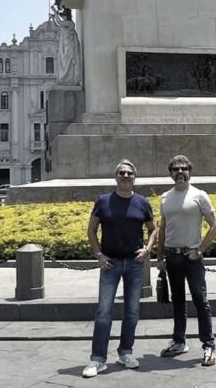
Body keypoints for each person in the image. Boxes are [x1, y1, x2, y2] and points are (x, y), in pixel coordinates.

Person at [82, 159, 158, 379]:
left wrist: (148, 249)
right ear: (116, 176)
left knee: (132, 311)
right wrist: (98, 254)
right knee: (104, 311)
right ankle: (97, 359)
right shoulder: (103, 201)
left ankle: (125, 352)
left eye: (129, 174)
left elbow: (154, 229)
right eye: (122, 173)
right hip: (110, 263)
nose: (126, 176)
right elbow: (91, 230)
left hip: (135, 264)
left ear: (134, 178)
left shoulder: (142, 202)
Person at [157, 154, 216, 367]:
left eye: (184, 168)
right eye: (176, 169)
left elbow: (215, 226)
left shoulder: (199, 195)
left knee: (201, 301)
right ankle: (179, 341)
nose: (180, 172)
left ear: (190, 172)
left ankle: (208, 345)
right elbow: (163, 228)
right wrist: (159, 257)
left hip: (191, 256)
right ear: (171, 173)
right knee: (177, 302)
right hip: (172, 256)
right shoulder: (165, 197)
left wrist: (200, 250)